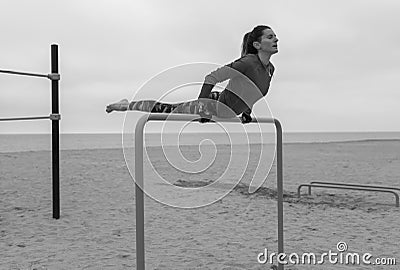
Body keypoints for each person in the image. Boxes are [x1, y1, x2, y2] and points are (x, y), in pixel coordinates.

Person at [106, 25, 278, 123]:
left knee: (167, 108)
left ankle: (126, 105)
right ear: (257, 44)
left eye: (275, 36)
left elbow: (251, 92)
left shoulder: (270, 69)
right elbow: (211, 78)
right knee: (166, 109)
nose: (276, 39)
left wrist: (247, 113)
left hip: (224, 103)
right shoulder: (247, 63)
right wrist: (203, 109)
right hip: (212, 104)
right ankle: (125, 105)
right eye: (270, 37)